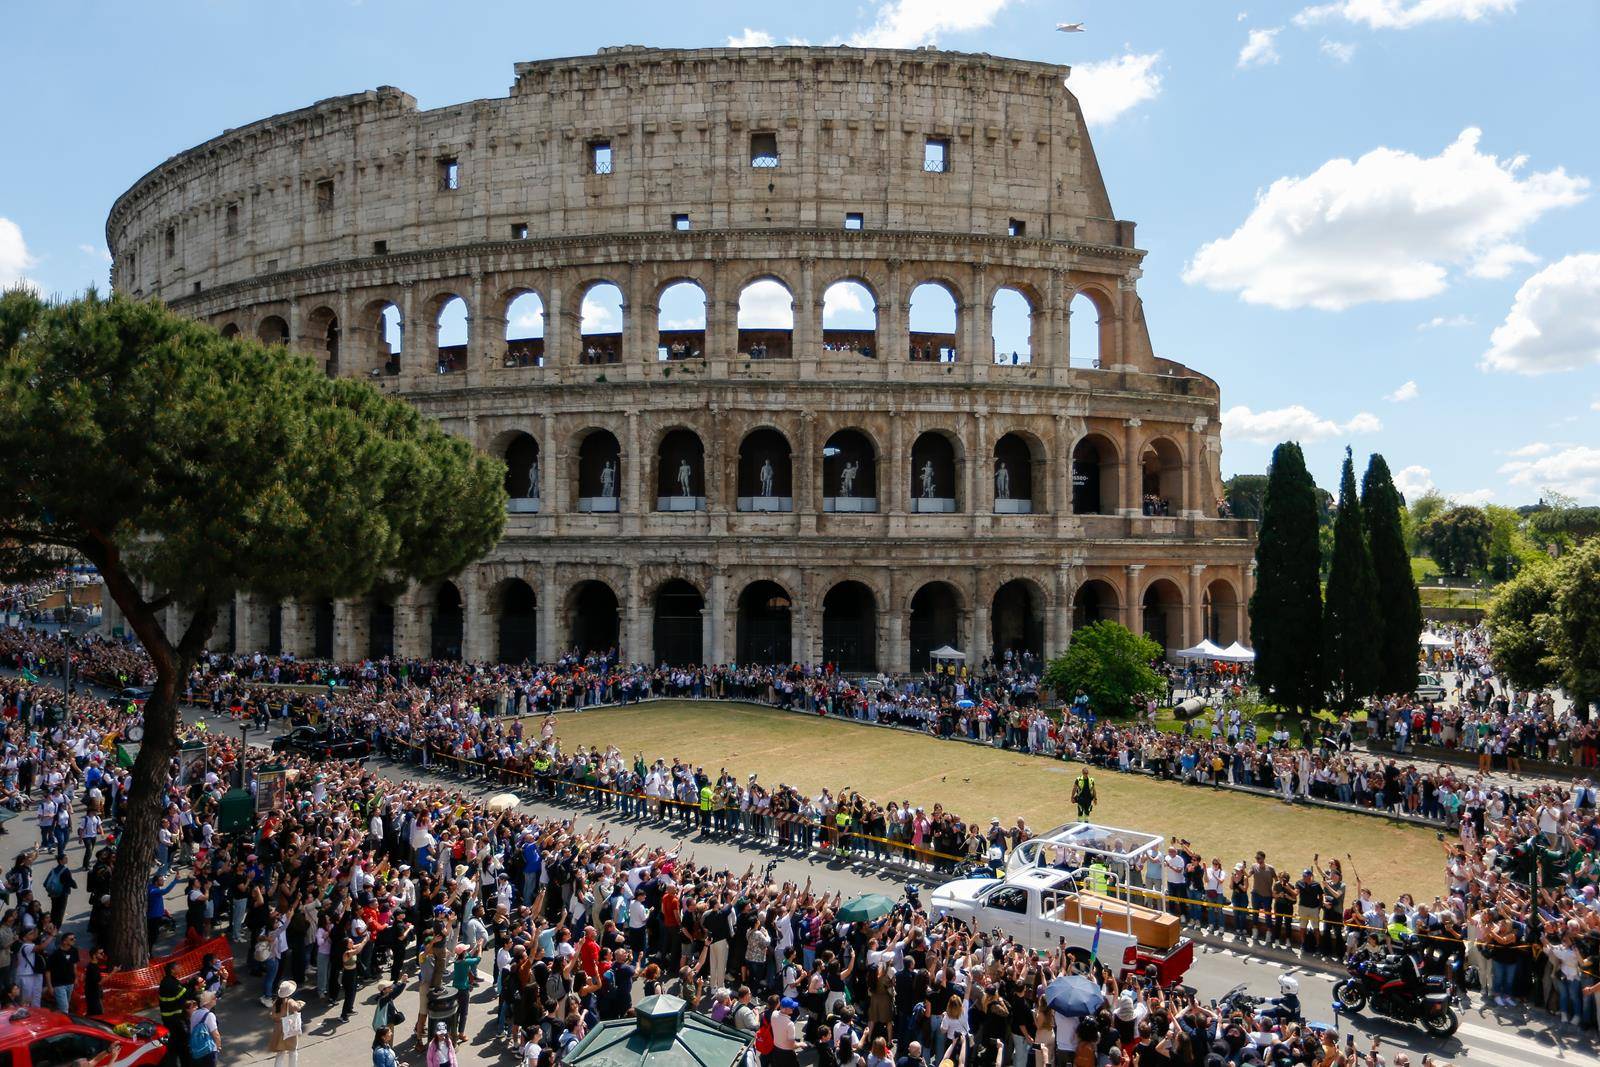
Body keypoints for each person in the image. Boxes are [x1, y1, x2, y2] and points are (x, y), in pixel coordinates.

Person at [269, 981, 304, 1067]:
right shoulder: (290, 1001)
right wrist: (300, 1003)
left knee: (280, 1052)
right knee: (293, 1051)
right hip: (289, 1028)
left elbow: (273, 1016)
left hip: (278, 1029)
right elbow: (297, 1008)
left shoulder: (276, 1002)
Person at [45, 932, 79, 1013]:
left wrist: (76, 978)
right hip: (59, 984)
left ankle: (55, 1018)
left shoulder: (74, 950)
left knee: (63, 1006)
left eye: (75, 938)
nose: (74, 940)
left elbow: (74, 965)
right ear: (64, 941)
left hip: (70, 982)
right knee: (64, 1008)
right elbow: (48, 971)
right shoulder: (55, 953)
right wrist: (50, 986)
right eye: (71, 939)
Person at [188, 993, 221, 1067]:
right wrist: (218, 1046)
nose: (216, 999)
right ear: (207, 1002)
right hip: (208, 1050)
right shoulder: (210, 1015)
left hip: (196, 1048)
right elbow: (216, 1034)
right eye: (213, 998)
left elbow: (192, 1030)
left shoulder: (194, 1013)